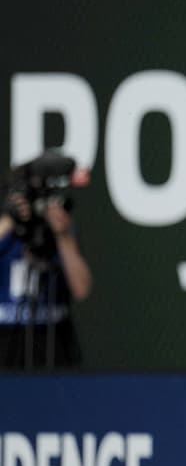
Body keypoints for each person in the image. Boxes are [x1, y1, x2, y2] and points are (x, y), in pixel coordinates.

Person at [0, 154, 93, 369]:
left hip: (51, 339)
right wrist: (10, 219)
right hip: (5, 336)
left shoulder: (57, 231)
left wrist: (63, 237)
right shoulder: (7, 229)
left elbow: (82, 289)